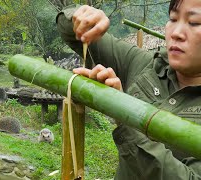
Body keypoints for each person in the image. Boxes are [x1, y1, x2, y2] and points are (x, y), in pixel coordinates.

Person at [56, 0, 201, 179]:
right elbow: (69, 31)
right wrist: (84, 17)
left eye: (194, 22)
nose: (176, 33)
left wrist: (123, 110)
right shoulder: (145, 65)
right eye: (173, 19)